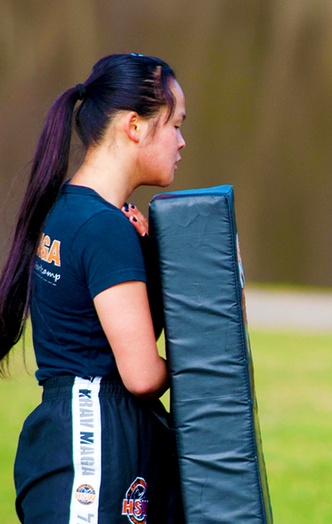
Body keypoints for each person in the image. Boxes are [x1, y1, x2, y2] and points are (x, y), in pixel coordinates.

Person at [0, 53, 186, 522]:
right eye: (175, 125)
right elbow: (141, 376)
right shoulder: (104, 227)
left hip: (72, 435)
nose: (182, 142)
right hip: (94, 445)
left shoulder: (71, 210)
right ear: (135, 127)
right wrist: (209, 359)